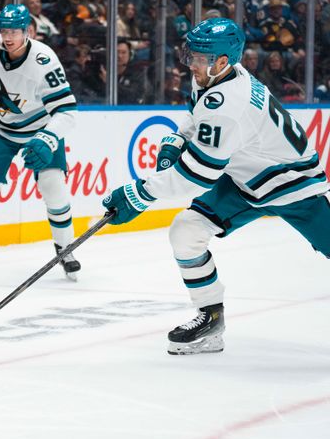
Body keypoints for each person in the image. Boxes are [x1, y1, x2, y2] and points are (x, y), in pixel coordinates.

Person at [102, 18, 329, 355]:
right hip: (245, 180)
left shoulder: (228, 105)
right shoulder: (217, 77)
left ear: (222, 60)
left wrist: (138, 193)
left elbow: (196, 176)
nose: (191, 63)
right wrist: (175, 139)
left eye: (198, 57)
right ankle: (210, 319)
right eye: (191, 54)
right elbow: (197, 114)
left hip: (292, 186)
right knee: (185, 231)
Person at [0, 4, 80, 280]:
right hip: (1, 130)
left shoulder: (44, 62)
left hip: (39, 131)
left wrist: (47, 138)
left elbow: (67, 112)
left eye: (14, 31)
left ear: (28, 32)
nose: (8, 37)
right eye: (4, 31)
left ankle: (65, 248)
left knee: (54, 187)